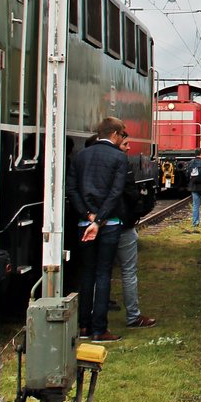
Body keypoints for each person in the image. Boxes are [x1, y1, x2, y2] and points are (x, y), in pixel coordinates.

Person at [66, 117, 128, 342]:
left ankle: (83, 326)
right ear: (114, 134)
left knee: (87, 274)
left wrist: (88, 216)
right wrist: (100, 219)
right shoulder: (119, 157)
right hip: (109, 224)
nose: (123, 138)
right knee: (103, 274)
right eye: (123, 135)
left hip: (84, 223)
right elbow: (115, 192)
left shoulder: (81, 156)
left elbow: (72, 190)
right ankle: (99, 329)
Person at [116, 136, 157, 329]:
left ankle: (89, 321)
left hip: (98, 223)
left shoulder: (84, 157)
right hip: (122, 223)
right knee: (129, 271)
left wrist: (92, 216)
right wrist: (138, 208)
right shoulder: (121, 162)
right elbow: (129, 193)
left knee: (99, 271)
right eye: (125, 144)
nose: (129, 147)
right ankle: (133, 316)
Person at [188, 144, 201, 230]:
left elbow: (187, 174)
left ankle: (195, 223)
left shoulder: (190, 163)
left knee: (195, 205)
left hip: (194, 187)